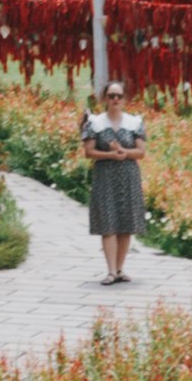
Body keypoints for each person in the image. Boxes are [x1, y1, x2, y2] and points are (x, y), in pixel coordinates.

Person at [81, 77, 147, 282]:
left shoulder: (134, 122)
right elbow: (89, 152)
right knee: (108, 224)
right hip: (105, 176)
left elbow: (141, 152)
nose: (115, 99)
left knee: (125, 225)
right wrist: (110, 155)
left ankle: (119, 269)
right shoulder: (96, 122)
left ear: (124, 98)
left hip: (128, 176)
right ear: (105, 98)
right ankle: (110, 270)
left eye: (119, 96)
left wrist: (123, 152)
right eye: (111, 96)